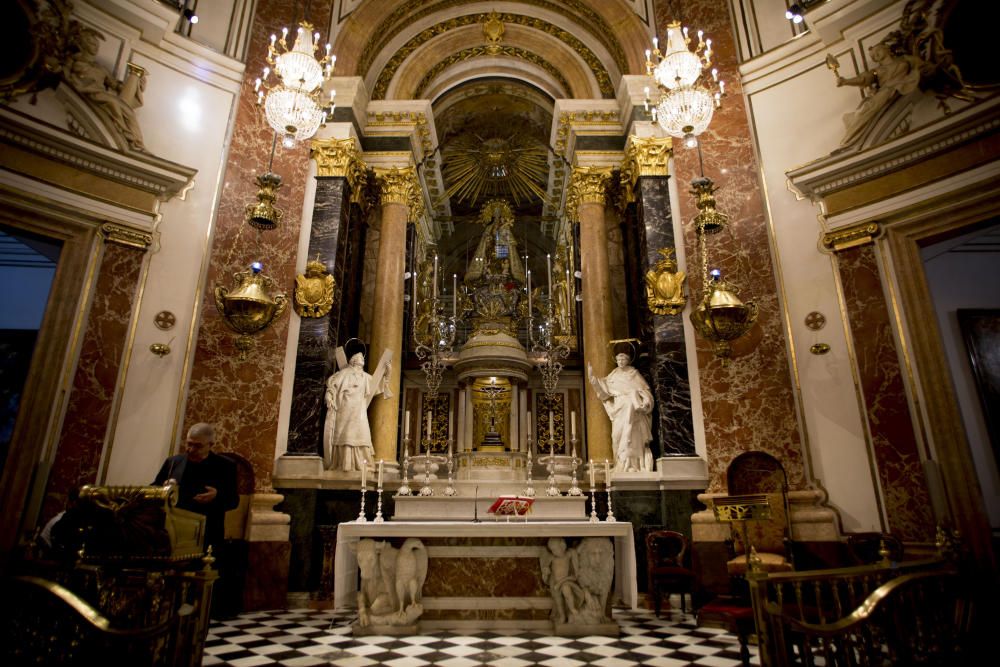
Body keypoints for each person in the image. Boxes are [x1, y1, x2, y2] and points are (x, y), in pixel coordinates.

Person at [153, 422, 238, 558]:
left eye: (197, 446)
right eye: (188, 444)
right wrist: (164, 489)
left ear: (211, 445)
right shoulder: (173, 462)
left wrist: (217, 496)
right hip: (174, 532)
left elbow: (233, 501)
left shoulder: (225, 466)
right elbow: (153, 489)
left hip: (207, 534)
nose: (190, 449)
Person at [64, 26, 147, 150]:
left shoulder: (101, 69)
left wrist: (137, 82)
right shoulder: (74, 62)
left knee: (128, 111)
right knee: (113, 102)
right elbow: (65, 74)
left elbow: (115, 85)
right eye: (92, 43)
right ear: (83, 45)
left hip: (100, 93)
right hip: (90, 91)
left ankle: (137, 143)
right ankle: (125, 132)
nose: (96, 46)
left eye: (96, 44)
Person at [836, 40, 920, 147]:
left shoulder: (904, 60)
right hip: (886, 91)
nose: (875, 55)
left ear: (887, 49)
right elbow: (864, 78)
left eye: (878, 50)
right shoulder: (877, 71)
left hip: (902, 85)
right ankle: (849, 138)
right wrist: (846, 81)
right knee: (867, 107)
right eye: (873, 56)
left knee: (869, 106)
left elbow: (920, 64)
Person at [323, 350, 391, 471]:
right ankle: (344, 463)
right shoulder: (344, 373)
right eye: (359, 357)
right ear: (353, 361)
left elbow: (378, 385)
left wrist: (388, 372)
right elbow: (332, 386)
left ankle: (361, 464)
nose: (362, 359)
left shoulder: (365, 376)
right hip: (345, 408)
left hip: (359, 410)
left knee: (362, 432)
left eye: (363, 358)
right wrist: (329, 396)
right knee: (345, 433)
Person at [588, 352, 655, 472]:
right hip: (619, 408)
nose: (620, 362)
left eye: (623, 360)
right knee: (616, 435)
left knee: (631, 436)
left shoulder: (633, 374)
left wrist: (645, 402)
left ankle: (632, 465)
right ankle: (620, 463)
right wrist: (593, 379)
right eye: (618, 360)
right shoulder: (613, 375)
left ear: (628, 361)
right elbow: (604, 392)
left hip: (633, 409)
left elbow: (645, 391)